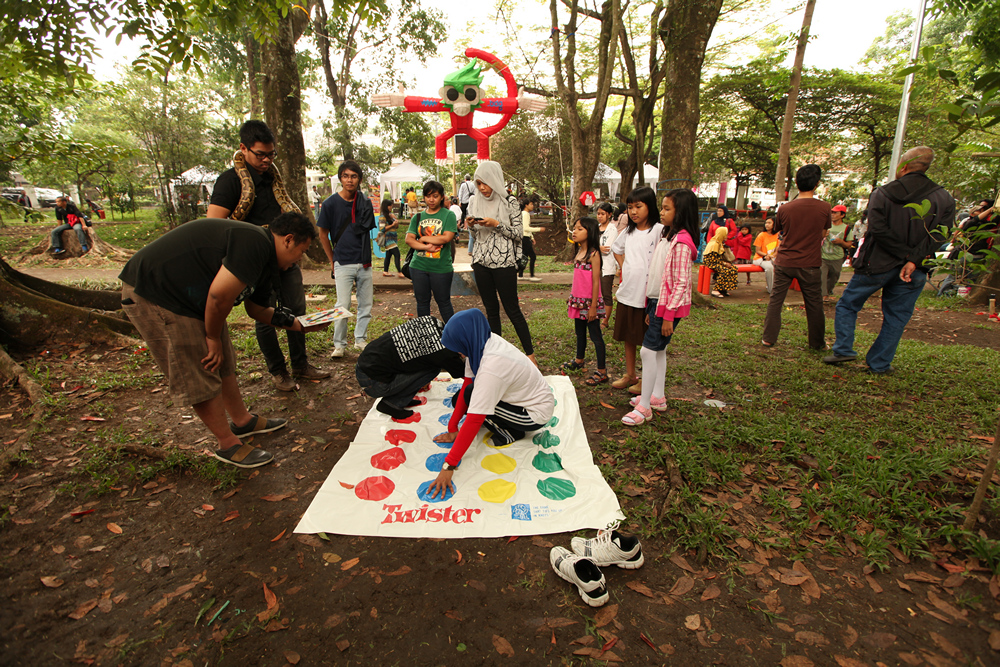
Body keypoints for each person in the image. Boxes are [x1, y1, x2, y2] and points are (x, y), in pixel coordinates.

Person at [118, 213, 323, 468]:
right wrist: (211, 336)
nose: (298, 261)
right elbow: (218, 296)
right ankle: (227, 444)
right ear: (288, 240)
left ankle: (242, 421)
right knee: (202, 362)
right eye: (301, 252)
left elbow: (256, 310)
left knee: (223, 357)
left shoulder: (266, 259)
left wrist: (300, 325)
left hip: (191, 300)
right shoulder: (255, 243)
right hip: (157, 293)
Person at [207, 120, 329, 391]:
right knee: (265, 314)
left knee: (297, 310)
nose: (266, 160)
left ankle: (300, 365)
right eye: (259, 154)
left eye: (271, 154)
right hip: (255, 261)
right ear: (243, 149)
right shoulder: (230, 181)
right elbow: (214, 223)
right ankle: (278, 372)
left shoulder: (274, 178)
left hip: (286, 257)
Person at [824, 147, 956, 374]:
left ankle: (844, 349)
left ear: (903, 166)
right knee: (897, 316)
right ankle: (879, 363)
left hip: (877, 263)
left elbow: (878, 229)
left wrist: (904, 255)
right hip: (914, 268)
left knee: (848, 304)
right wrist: (912, 259)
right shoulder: (944, 198)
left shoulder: (882, 193)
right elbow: (940, 235)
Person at [427, 309, 555, 500]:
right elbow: (468, 384)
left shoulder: (492, 366)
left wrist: (449, 465)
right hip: (519, 399)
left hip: (533, 414)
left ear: (466, 339)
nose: (458, 353)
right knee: (463, 398)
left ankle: (512, 432)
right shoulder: (480, 343)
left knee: (474, 404)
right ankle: (507, 424)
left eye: (457, 347)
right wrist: (453, 427)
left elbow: (474, 420)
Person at [621, 188, 699, 426]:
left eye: (667, 209)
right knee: (659, 350)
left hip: (667, 306)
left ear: (681, 212)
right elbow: (658, 275)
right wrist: (651, 307)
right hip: (657, 302)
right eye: (662, 207)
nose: (661, 212)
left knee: (648, 351)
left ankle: (644, 407)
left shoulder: (682, 242)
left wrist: (667, 316)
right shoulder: (669, 235)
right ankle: (657, 396)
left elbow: (681, 283)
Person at [467, 161, 536, 363]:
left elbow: (517, 234)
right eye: (478, 183)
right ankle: (495, 356)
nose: (482, 188)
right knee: (491, 311)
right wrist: (470, 225)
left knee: (512, 309)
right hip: (481, 262)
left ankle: (530, 355)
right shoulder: (474, 201)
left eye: (485, 183)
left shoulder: (509, 202)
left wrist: (496, 224)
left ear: (494, 179)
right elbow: (474, 234)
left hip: (504, 263)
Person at [761, 164, 830, 350]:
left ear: (797, 184)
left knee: (776, 300)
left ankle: (768, 338)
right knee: (814, 304)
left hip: (785, 261)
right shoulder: (824, 208)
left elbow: (778, 230)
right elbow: (824, 233)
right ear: (817, 184)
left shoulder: (784, 209)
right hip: (810, 263)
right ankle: (817, 343)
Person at [317, 159, 377, 358]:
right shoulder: (330, 204)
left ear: (359, 179)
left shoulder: (365, 202)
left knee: (365, 305)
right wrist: (332, 260)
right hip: (343, 261)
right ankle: (339, 344)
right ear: (340, 178)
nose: (349, 180)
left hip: (364, 261)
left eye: (353, 176)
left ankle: (360, 340)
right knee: (342, 305)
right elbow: (323, 233)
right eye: (345, 176)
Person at [356, 316, 464, 420]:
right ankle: (392, 404)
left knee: (426, 363)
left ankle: (401, 398)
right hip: (373, 382)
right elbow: (466, 374)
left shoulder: (433, 321)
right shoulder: (444, 352)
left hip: (365, 366)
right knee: (433, 369)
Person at [609, 186, 663, 393]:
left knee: (647, 342)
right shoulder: (629, 231)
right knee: (629, 337)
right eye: (630, 207)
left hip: (647, 296)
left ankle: (646, 379)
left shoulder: (658, 230)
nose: (633, 211)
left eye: (638, 206)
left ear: (650, 207)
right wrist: (625, 267)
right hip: (628, 293)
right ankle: (630, 375)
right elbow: (616, 249)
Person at [561, 216, 607, 386]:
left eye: (580, 229)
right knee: (579, 332)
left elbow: (596, 281)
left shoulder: (594, 254)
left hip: (589, 303)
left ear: (590, 231)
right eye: (575, 228)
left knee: (596, 336)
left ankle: (602, 371)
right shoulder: (579, 251)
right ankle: (579, 360)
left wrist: (593, 306)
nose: (575, 231)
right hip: (577, 301)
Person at [405, 179, 457, 322]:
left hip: (441, 268)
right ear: (424, 197)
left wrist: (422, 239)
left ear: (441, 197)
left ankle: (454, 337)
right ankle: (425, 337)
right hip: (418, 266)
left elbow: (446, 237)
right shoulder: (418, 217)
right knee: (422, 304)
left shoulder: (448, 215)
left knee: (444, 303)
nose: (431, 199)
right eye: (428, 196)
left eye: (435, 196)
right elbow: (409, 239)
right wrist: (426, 246)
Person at [936, 198, 995, 296]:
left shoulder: (988, 223)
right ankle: (941, 294)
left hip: (978, 256)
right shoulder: (969, 221)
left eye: (984, 208)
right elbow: (974, 221)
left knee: (971, 279)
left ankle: (961, 296)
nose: (980, 209)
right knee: (953, 276)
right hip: (964, 253)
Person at [821, 204, 852, 299]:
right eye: (832, 212)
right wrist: (822, 234)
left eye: (835, 213)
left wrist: (841, 242)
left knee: (834, 276)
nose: (832, 214)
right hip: (823, 256)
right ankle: (823, 296)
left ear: (842, 215)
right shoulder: (825, 225)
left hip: (837, 257)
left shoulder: (847, 228)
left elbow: (849, 245)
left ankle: (828, 291)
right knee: (822, 276)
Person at [596, 202, 619, 328]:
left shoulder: (612, 229)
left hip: (607, 267)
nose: (600, 216)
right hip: (595, 266)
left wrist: (595, 248)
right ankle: (596, 317)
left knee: (606, 295)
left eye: (603, 214)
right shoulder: (595, 228)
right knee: (595, 293)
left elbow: (607, 249)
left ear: (609, 215)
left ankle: (605, 321)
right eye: (598, 214)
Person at [702, 227, 738, 297]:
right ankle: (715, 290)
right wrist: (724, 264)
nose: (726, 236)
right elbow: (713, 259)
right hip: (711, 262)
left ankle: (723, 289)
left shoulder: (720, 243)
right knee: (724, 270)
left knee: (733, 268)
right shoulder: (714, 243)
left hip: (717, 262)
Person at [753, 218, 780, 294]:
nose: (767, 224)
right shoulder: (761, 235)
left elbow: (778, 249)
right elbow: (757, 251)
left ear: (774, 224)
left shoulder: (777, 235)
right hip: (760, 258)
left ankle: (778, 287)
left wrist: (771, 256)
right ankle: (771, 289)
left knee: (781, 267)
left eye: (769, 223)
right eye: (766, 223)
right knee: (769, 267)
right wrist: (767, 255)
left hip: (772, 257)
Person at [518, 199, 543, 281]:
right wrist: (539, 229)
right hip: (525, 238)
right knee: (533, 256)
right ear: (526, 205)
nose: (532, 206)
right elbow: (526, 228)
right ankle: (532, 276)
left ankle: (520, 275)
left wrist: (532, 237)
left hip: (525, 237)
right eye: (531, 204)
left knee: (524, 256)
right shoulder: (525, 214)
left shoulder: (523, 213)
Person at [378, 199, 403, 278]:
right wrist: (392, 225)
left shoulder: (390, 215)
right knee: (397, 254)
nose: (391, 207)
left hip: (393, 237)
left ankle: (385, 271)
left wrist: (395, 220)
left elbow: (397, 226)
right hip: (388, 238)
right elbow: (382, 229)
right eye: (390, 206)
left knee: (388, 255)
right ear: (386, 206)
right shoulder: (382, 216)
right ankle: (400, 272)